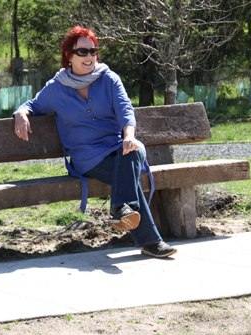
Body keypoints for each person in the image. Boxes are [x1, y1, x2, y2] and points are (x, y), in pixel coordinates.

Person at [13, 26, 177, 258]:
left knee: (134, 150)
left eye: (93, 51)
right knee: (129, 174)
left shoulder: (109, 79)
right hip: (86, 158)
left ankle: (122, 210)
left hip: (117, 148)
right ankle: (145, 236)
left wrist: (129, 135)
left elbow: (125, 110)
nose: (89, 56)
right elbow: (32, 105)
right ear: (69, 55)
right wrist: (21, 113)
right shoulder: (56, 88)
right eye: (82, 52)